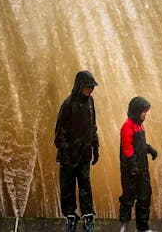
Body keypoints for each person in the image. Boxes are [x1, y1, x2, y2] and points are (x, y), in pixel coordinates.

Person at [55, 70, 100, 232]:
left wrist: (96, 147)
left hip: (84, 155)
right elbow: (59, 135)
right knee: (67, 189)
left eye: (92, 87)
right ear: (80, 86)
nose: (91, 90)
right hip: (68, 156)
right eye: (89, 87)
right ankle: (70, 217)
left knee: (85, 187)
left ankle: (88, 217)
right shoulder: (67, 104)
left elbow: (93, 126)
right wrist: (66, 155)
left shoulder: (91, 102)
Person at [118, 96, 159, 232]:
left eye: (146, 112)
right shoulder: (127, 126)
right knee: (128, 198)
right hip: (130, 170)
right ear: (136, 111)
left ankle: (143, 228)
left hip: (142, 168)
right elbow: (128, 149)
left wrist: (149, 149)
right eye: (143, 112)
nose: (145, 114)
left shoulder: (140, 125)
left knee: (145, 197)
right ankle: (125, 225)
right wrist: (133, 166)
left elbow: (139, 145)